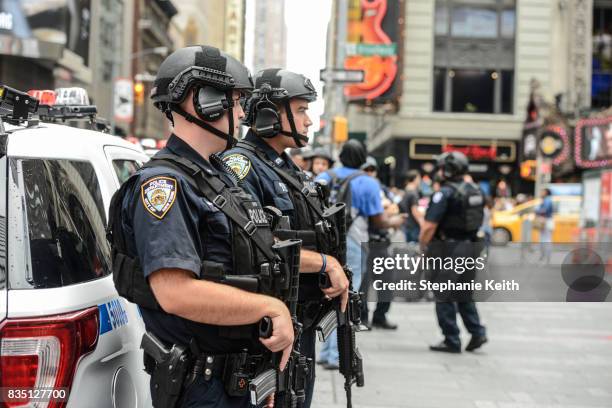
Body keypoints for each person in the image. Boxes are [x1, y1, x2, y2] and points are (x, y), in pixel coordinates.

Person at [107, 46, 294, 408]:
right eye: (236, 100)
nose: (242, 112)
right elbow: (175, 292)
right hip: (203, 387)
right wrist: (270, 308)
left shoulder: (216, 176)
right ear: (204, 101)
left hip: (237, 381)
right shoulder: (165, 184)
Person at [221, 68, 349, 407]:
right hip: (267, 327)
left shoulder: (285, 165)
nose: (308, 121)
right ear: (268, 112)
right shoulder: (241, 165)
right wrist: (324, 262)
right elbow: (254, 245)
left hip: (297, 319)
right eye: (302, 109)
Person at [317, 141, 406, 367]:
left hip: (324, 244)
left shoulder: (324, 177)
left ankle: (326, 351)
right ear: (363, 159)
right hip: (353, 243)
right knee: (347, 295)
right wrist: (396, 220)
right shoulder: (367, 182)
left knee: (328, 296)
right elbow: (378, 219)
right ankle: (337, 355)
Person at [419, 151, 488, 353]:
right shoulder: (475, 190)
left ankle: (451, 339)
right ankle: (477, 332)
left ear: (448, 170)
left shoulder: (445, 193)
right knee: (464, 293)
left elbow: (429, 226)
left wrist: (422, 246)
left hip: (449, 249)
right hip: (471, 247)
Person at [399, 170, 423, 243]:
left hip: (406, 224)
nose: (420, 180)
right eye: (419, 178)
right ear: (415, 179)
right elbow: (414, 210)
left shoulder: (404, 192)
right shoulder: (413, 193)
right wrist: (422, 223)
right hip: (413, 225)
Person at [535, 188, 554, 264]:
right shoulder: (546, 200)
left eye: (542, 191)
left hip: (546, 221)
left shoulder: (547, 200)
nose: (541, 193)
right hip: (546, 221)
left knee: (545, 240)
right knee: (544, 239)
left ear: (546, 192)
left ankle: (546, 258)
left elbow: (544, 210)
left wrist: (537, 211)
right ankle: (544, 257)